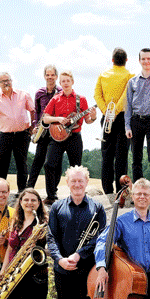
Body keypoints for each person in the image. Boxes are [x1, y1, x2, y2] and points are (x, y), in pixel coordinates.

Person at [47, 166, 106, 299]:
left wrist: (79, 255)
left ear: (87, 182)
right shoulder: (57, 207)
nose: (77, 184)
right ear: (67, 183)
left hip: (87, 272)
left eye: (81, 181)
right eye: (73, 181)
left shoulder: (97, 208)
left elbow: (100, 239)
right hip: (63, 270)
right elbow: (51, 238)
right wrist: (60, 259)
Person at [0, 188, 50, 299]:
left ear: (38, 203)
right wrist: (3, 271)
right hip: (15, 274)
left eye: (33, 200)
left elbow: (50, 248)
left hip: (36, 274)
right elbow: (10, 248)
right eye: (26, 200)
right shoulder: (15, 222)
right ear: (20, 202)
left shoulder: (43, 222)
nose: (29, 203)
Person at [42, 71, 98, 205]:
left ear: (72, 82)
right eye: (63, 81)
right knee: (49, 164)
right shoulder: (55, 99)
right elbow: (45, 118)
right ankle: (51, 196)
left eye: (68, 80)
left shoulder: (81, 99)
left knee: (76, 167)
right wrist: (58, 119)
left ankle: (77, 196)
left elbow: (88, 120)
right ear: (60, 83)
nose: (66, 83)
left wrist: (94, 116)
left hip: (74, 137)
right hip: (57, 136)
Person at [125, 48, 150, 203]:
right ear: (140, 60)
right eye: (143, 59)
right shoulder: (132, 82)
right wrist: (127, 126)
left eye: (149, 59)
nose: (146, 61)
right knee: (136, 158)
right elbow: (128, 105)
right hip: (136, 121)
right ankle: (137, 191)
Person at [0, 72, 35, 193]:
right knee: (1, 164)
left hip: (22, 134)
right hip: (5, 135)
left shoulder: (23, 94)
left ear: (11, 81)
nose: (6, 83)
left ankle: (22, 191)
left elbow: (33, 110)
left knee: (22, 164)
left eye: (8, 80)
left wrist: (33, 126)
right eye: (3, 81)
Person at [94, 47, 134, 194]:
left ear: (112, 60)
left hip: (107, 117)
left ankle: (107, 190)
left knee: (107, 156)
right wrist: (115, 111)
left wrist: (107, 112)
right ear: (126, 60)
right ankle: (121, 190)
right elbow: (126, 96)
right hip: (123, 117)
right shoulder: (130, 75)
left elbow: (97, 95)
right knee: (121, 156)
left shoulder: (102, 75)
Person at [26, 64, 62, 189]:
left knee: (55, 163)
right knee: (38, 160)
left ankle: (53, 191)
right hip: (42, 129)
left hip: (56, 131)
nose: (50, 77)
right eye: (48, 75)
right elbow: (37, 111)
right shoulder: (39, 93)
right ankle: (29, 188)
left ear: (56, 76)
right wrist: (35, 126)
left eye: (52, 75)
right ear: (44, 76)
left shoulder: (61, 92)